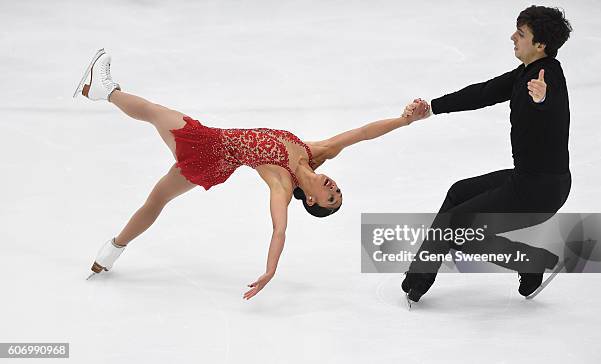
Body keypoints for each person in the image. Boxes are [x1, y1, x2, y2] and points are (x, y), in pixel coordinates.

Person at [75, 48, 430, 299]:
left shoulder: (281, 182)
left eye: (330, 198)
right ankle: (110, 252)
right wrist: (403, 120)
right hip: (214, 163)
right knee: (156, 201)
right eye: (338, 192)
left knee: (155, 113)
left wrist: (271, 270)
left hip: (207, 146)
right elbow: (363, 133)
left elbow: (279, 229)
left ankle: (104, 90)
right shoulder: (317, 152)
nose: (334, 189)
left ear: (311, 200)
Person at [401, 5, 573, 302]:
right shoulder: (525, 74)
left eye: (521, 34)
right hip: (527, 180)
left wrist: (542, 99)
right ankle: (420, 273)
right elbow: (483, 92)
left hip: (542, 190)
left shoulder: (548, 79)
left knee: (457, 227)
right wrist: (433, 107)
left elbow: (552, 106)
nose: (513, 38)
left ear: (540, 44)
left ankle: (529, 261)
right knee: (458, 193)